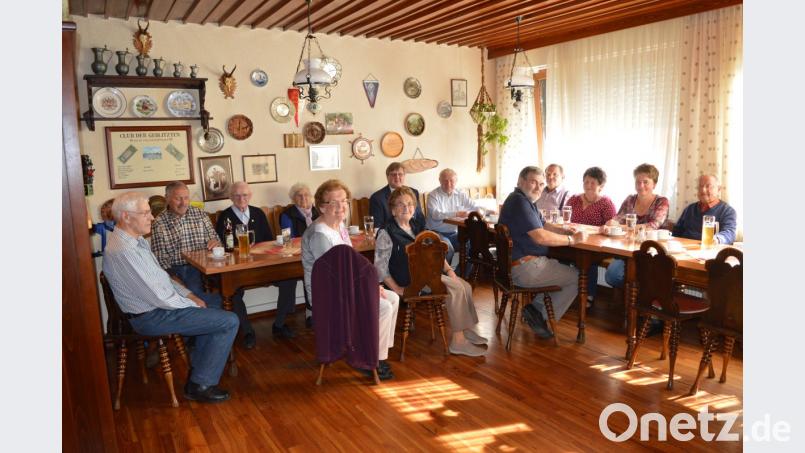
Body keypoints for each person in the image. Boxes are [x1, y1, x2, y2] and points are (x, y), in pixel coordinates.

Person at [103, 192, 239, 403]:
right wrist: (193, 304)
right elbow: (159, 296)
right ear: (126, 217)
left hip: (157, 307)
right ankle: (201, 384)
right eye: (146, 213)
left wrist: (191, 295)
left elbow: (162, 278)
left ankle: (200, 365)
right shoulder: (124, 251)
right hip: (150, 316)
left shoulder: (135, 241)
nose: (152, 217)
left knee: (218, 303)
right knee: (228, 320)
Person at [302, 179, 400, 380]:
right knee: (384, 307)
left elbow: (352, 266)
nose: (341, 207)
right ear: (321, 207)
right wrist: (371, 288)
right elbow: (334, 279)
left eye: (344, 201)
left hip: (347, 287)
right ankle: (367, 357)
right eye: (334, 203)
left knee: (394, 299)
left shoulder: (339, 225)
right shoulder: (319, 234)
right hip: (329, 295)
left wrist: (372, 285)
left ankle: (377, 355)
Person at [376, 187, 488, 357]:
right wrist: (397, 289)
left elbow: (435, 251)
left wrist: (450, 270)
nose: (406, 208)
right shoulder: (386, 232)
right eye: (400, 205)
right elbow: (380, 267)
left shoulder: (417, 226)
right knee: (456, 288)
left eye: (409, 204)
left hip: (428, 275)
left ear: (414, 207)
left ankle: (465, 329)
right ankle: (458, 342)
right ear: (392, 210)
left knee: (464, 285)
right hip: (410, 280)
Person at [498, 166, 584, 339]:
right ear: (520, 181)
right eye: (533, 182)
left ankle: (534, 310)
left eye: (541, 184)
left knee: (565, 270)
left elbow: (543, 225)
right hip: (526, 269)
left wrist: (566, 232)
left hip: (513, 267)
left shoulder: (521, 200)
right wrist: (572, 241)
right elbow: (540, 237)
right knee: (578, 277)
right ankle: (539, 314)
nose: (538, 187)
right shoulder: (520, 202)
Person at [215, 182, 297, 345]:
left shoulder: (258, 213)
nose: (241, 198)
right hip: (238, 267)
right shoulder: (225, 217)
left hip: (262, 265)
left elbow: (268, 240)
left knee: (289, 278)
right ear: (231, 197)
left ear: (250, 196)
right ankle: (247, 331)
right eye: (237, 195)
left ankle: (279, 324)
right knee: (231, 290)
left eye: (244, 195)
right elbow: (223, 245)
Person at [604, 163, 670, 289]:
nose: (641, 186)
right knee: (612, 276)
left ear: (654, 184)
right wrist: (610, 223)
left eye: (646, 182)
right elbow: (617, 218)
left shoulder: (662, 202)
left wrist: (623, 227)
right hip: (627, 249)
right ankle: (633, 297)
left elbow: (653, 225)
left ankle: (636, 299)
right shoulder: (630, 199)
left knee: (635, 277)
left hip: (652, 253)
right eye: (638, 182)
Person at [564, 167, 617, 305]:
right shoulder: (574, 199)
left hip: (595, 244)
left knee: (588, 259)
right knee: (558, 254)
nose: (588, 185)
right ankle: (564, 291)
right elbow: (566, 219)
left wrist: (607, 227)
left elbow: (612, 224)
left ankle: (589, 295)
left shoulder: (606, 203)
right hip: (574, 239)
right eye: (586, 181)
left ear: (601, 186)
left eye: (593, 182)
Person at [280, 182, 321, 327]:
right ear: (293, 199)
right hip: (299, 254)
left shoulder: (318, 212)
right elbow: (287, 239)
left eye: (306, 195)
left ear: (311, 197)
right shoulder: (287, 215)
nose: (303, 198)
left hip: (320, 251)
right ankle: (311, 313)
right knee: (310, 271)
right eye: (299, 195)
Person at [425, 168, 485, 266]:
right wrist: (456, 213)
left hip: (454, 233)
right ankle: (443, 278)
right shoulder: (433, 195)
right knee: (448, 249)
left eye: (451, 181)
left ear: (456, 181)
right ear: (439, 181)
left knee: (471, 244)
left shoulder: (460, 194)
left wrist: (483, 211)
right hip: (435, 232)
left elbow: (474, 206)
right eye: (445, 181)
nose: (448, 184)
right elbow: (435, 214)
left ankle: (459, 276)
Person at [672, 174, 737, 245]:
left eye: (708, 186)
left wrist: (717, 239)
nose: (703, 190)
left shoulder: (727, 211)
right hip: (683, 250)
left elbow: (730, 232)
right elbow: (676, 231)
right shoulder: (690, 209)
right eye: (700, 186)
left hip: (708, 251)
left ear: (718, 189)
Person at [370, 162, 425, 231]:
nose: (397, 177)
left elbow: (420, 217)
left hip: (416, 233)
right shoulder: (377, 198)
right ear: (387, 177)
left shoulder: (414, 192)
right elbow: (377, 226)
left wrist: (424, 234)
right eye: (393, 174)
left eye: (400, 174)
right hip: (393, 235)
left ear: (404, 176)